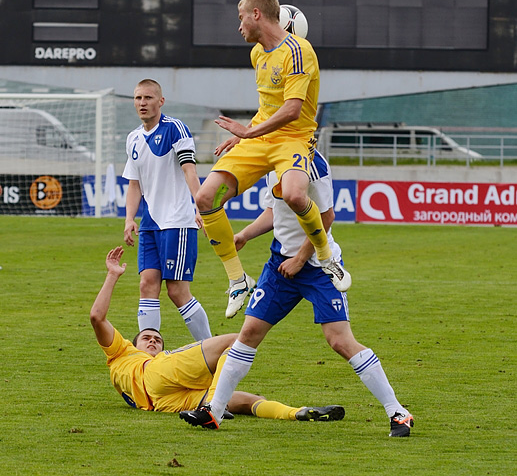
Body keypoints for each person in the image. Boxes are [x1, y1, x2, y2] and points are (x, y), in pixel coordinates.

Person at [181, 151, 414, 437]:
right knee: (249, 332)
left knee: (340, 340)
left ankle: (397, 412)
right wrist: (244, 235)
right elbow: (272, 211)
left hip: (318, 267)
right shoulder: (273, 158)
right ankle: (214, 412)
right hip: (279, 265)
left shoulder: (313, 164)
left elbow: (326, 216)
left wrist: (301, 259)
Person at [195, 0, 350, 319]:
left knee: (294, 195)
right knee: (206, 198)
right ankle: (238, 280)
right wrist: (244, 138)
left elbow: (292, 110)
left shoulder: (299, 51)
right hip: (259, 139)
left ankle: (325, 254)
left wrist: (248, 132)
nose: (238, 27)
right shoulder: (257, 55)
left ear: (256, 15)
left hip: (292, 138)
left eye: (240, 18)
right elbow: (268, 108)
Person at [90, 246, 345, 426]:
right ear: (132, 345)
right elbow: (96, 317)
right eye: (147, 338)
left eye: (157, 339)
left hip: (165, 403)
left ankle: (296, 413)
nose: (154, 340)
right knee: (236, 340)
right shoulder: (121, 353)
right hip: (155, 375)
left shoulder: (134, 368)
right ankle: (213, 408)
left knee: (250, 402)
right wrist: (112, 275)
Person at [123, 79, 211, 341]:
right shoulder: (133, 138)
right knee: (146, 284)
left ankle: (210, 350)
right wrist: (129, 218)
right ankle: (147, 356)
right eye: (138, 98)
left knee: (177, 291)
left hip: (178, 220)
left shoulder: (175, 129)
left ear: (161, 101)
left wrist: (201, 207)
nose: (142, 103)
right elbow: (134, 184)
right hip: (150, 223)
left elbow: (189, 171)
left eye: (148, 98)